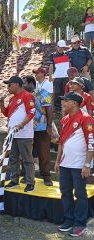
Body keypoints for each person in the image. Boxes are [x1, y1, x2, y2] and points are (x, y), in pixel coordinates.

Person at [55, 92, 94, 237]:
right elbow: (61, 142)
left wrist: (87, 164)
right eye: (63, 100)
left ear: (75, 103)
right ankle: (68, 220)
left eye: (66, 101)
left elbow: (91, 142)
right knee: (65, 193)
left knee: (80, 194)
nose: (63, 103)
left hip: (79, 165)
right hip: (65, 163)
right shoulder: (65, 119)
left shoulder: (86, 118)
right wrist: (58, 161)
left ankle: (80, 224)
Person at [0, 76, 36, 192]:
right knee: (13, 158)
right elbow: (6, 114)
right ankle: (14, 180)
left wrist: (21, 124)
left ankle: (30, 182)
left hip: (24, 134)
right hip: (12, 134)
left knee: (27, 159)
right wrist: (1, 104)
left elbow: (31, 113)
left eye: (9, 85)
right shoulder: (12, 99)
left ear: (16, 84)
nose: (8, 87)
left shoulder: (28, 96)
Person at [32, 67, 54, 186]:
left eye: (25, 82)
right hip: (28, 128)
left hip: (42, 126)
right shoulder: (28, 94)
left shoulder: (44, 92)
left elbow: (49, 108)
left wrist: (49, 125)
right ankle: (28, 176)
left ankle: (46, 176)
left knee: (44, 152)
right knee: (29, 153)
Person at [49, 40, 70, 111]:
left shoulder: (67, 54)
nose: (61, 49)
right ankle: (57, 108)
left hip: (66, 76)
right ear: (57, 47)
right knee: (57, 92)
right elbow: (51, 66)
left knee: (66, 92)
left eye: (63, 47)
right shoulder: (52, 55)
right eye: (60, 47)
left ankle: (66, 107)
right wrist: (50, 75)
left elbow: (70, 65)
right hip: (57, 76)